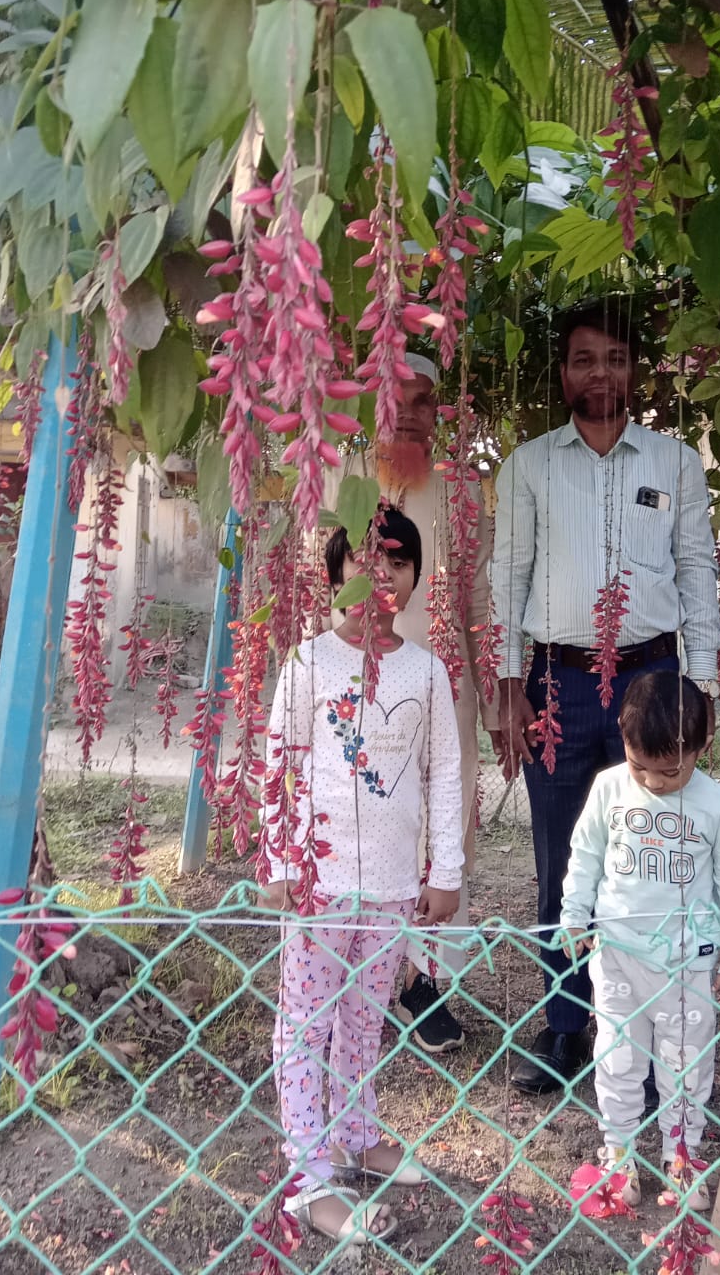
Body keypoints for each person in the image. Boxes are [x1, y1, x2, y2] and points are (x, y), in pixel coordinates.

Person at [491, 299, 720, 1092]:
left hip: (651, 679)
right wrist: (509, 684)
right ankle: (565, 1027)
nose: (600, 374)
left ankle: (649, 1037)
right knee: (562, 862)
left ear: (635, 372)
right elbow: (506, 579)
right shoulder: (529, 465)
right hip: (556, 684)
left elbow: (698, 572)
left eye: (615, 359)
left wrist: (702, 686)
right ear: (563, 373)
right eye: (584, 359)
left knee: (652, 862)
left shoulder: (675, 463)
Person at [259, 506, 464, 1246]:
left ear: (415, 579)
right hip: (319, 886)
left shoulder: (427, 671)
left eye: (398, 561)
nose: (382, 574)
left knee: (365, 1020)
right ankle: (309, 1180)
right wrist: (281, 860)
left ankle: (356, 1135)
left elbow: (445, 775)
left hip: (392, 886)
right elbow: (279, 762)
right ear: (335, 575)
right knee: (305, 1027)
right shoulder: (308, 662)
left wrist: (445, 869)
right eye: (365, 560)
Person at [327, 352, 498, 1055]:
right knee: (360, 818)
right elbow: (318, 585)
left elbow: (478, 600)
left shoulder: (462, 488)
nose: (412, 414)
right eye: (399, 398)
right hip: (357, 686)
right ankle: (354, 967)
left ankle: (425, 982)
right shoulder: (342, 478)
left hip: (443, 687)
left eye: (426, 401)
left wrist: (496, 698)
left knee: (445, 831)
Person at [561, 672, 720, 1207]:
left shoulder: (715, 805)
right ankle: (618, 1153)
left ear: (702, 746)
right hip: (617, 956)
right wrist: (574, 916)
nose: (653, 781)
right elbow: (584, 857)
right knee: (617, 1058)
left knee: (687, 1065)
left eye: (671, 770)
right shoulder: (609, 789)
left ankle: (681, 1156)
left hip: (688, 963)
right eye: (638, 765)